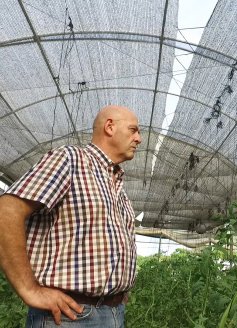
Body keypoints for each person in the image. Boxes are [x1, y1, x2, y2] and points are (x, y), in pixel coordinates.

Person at [0, 105, 142, 327]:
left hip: (112, 312)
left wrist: (116, 288)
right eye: (133, 130)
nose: (138, 138)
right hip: (70, 316)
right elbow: (7, 210)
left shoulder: (116, 185)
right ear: (110, 127)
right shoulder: (70, 160)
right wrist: (29, 289)